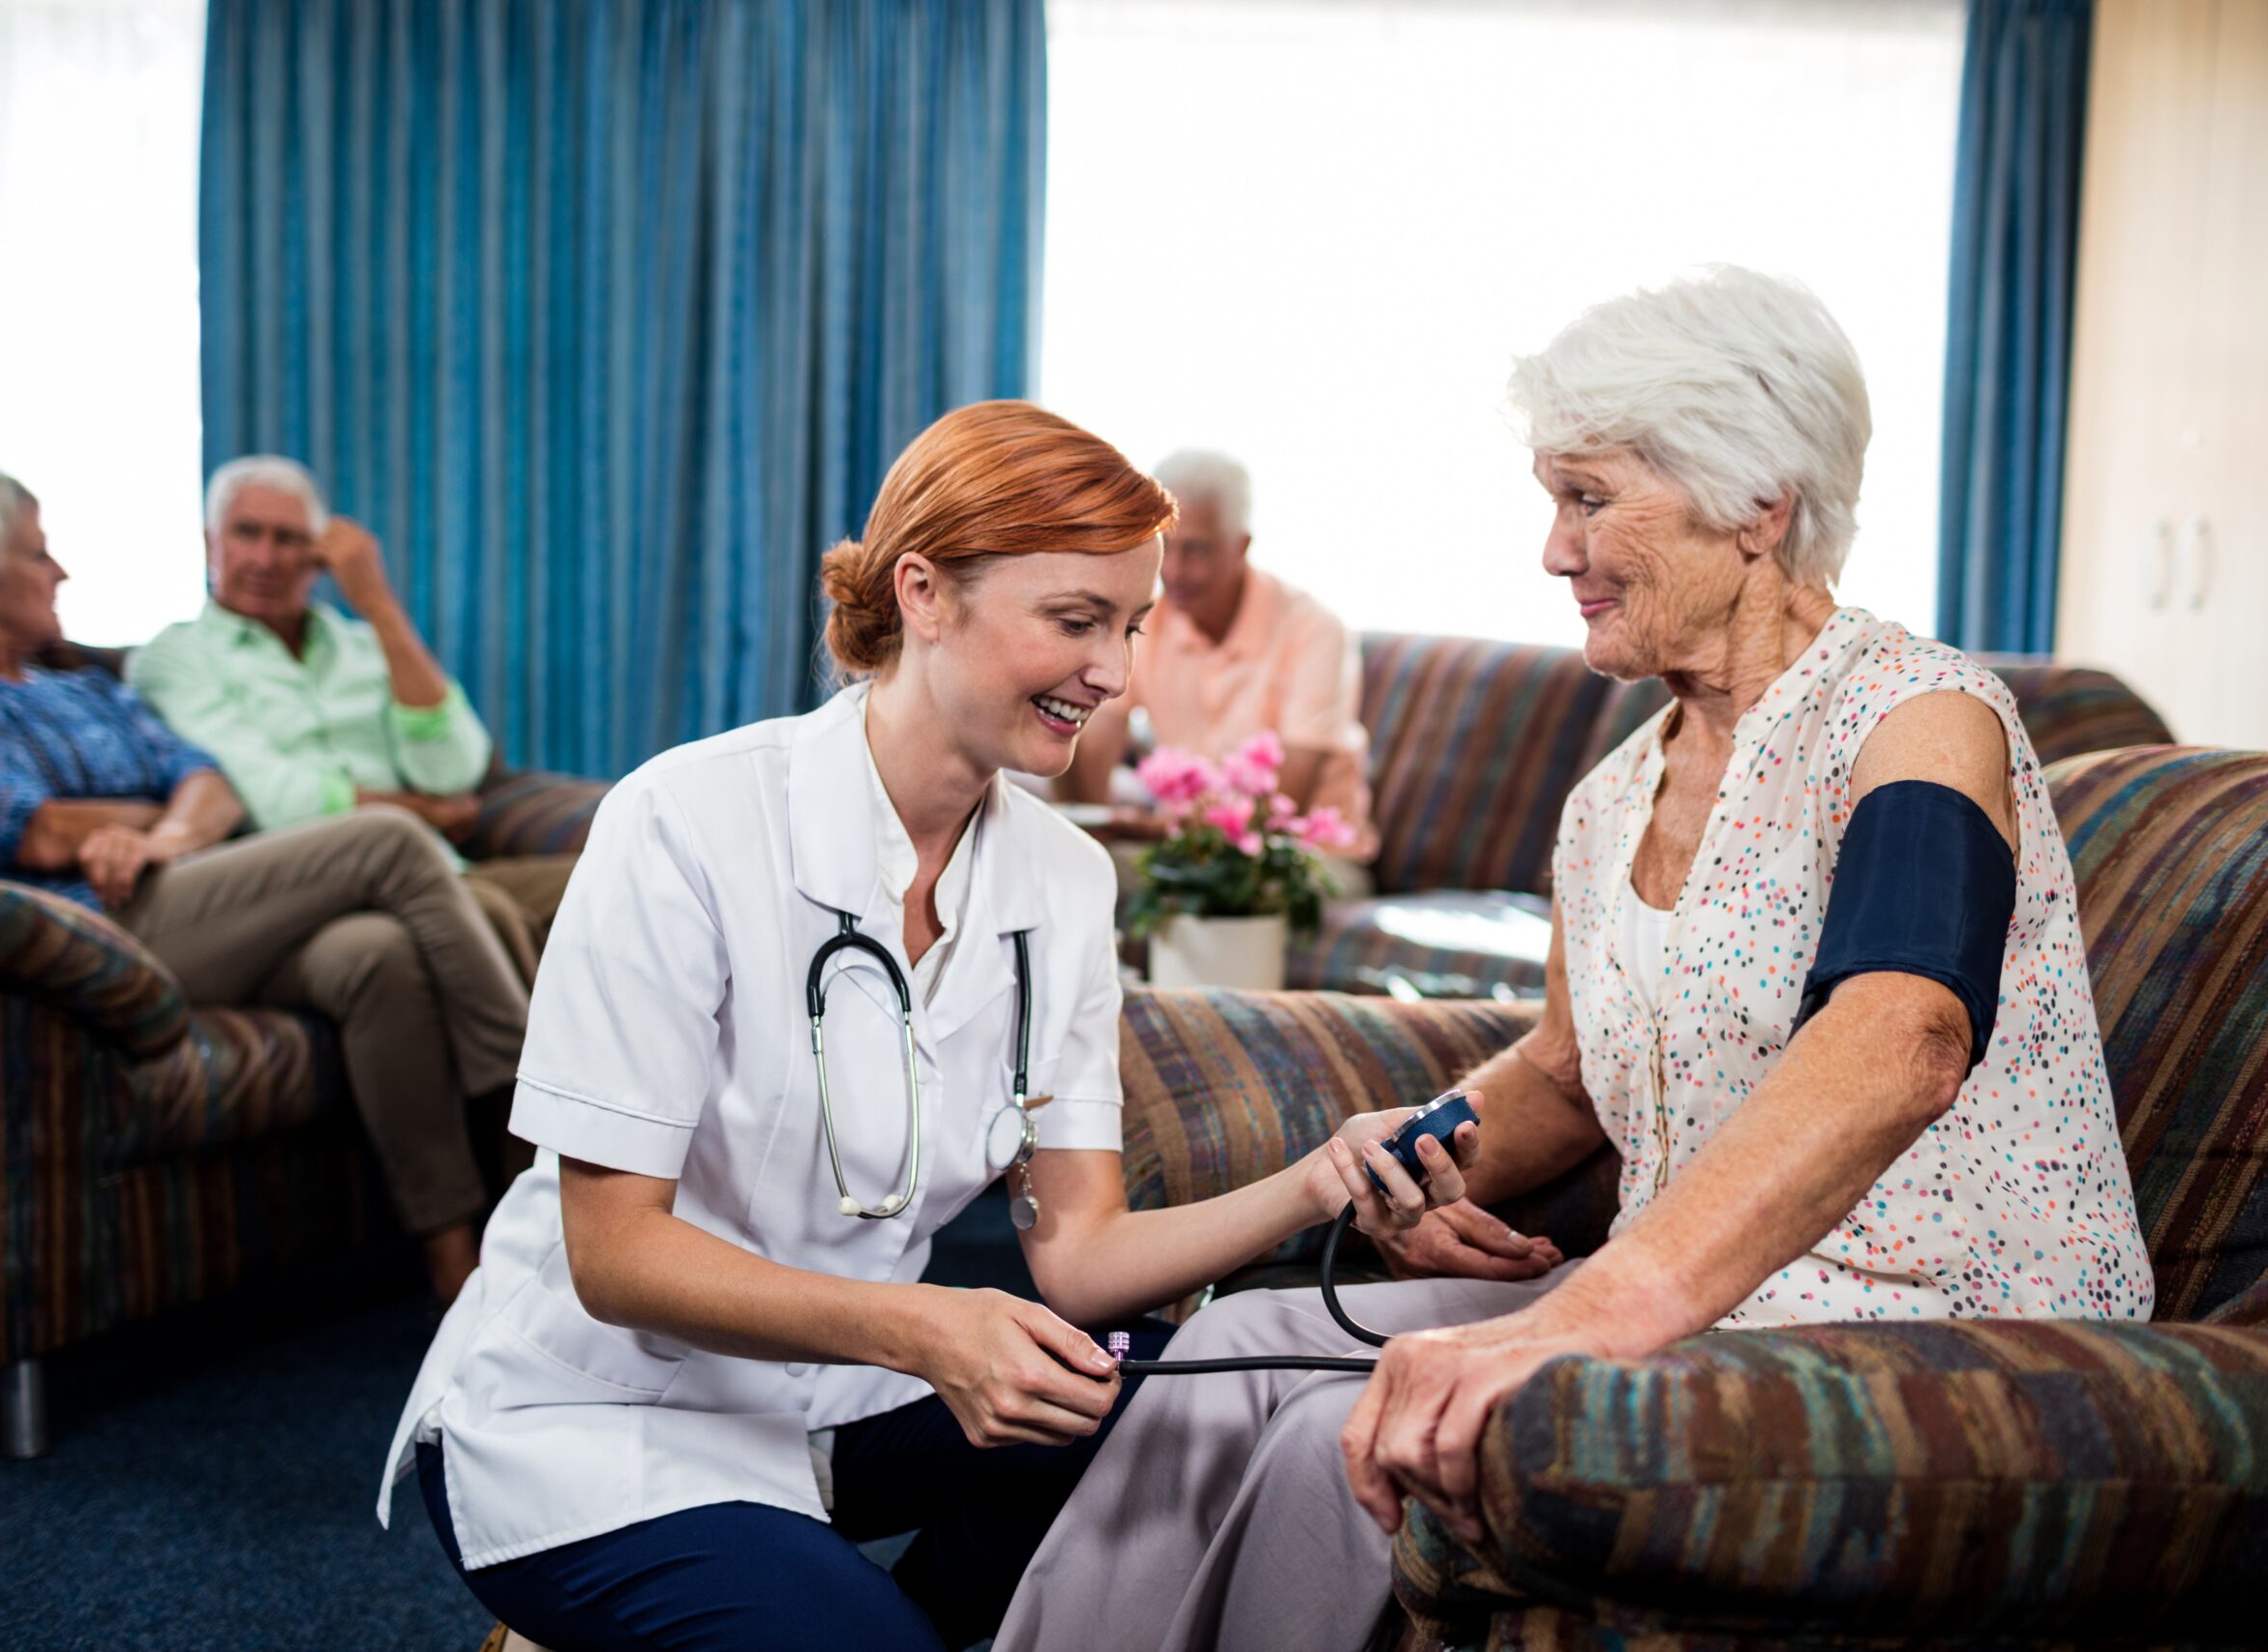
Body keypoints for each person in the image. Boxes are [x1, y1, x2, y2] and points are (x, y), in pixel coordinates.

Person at [996, 267, 2156, 1652]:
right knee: (1212, 1363)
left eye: (1591, 498)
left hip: (1936, 1316)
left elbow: (1903, 1032)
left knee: (1333, 1440)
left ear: (1756, 501)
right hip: (1712, 1292)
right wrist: (1422, 1175)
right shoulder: (1615, 795)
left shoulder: (1917, 717)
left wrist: (1589, 1309)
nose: (1555, 550)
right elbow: (1564, 1064)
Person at [374, 402, 1522, 1652]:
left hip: (836, 1395)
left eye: (1131, 626)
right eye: (1077, 620)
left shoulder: (1066, 881)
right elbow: (612, 1255)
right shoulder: (685, 823)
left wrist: (1317, 1178)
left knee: (1132, 1370)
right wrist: (927, 1326)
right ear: (924, 592)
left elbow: (1079, 1252)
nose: (1116, 674)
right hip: (601, 1411)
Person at [0, 461, 531, 1306]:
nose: (59, 570)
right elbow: (34, 832)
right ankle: (542, 1142)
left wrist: (166, 829)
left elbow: (209, 783)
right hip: (85, 935)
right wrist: (153, 817)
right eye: (37, 554)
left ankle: (458, 1268)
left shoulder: (83, 686)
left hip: (179, 900)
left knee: (377, 954)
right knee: (388, 837)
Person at [129, 456, 573, 982]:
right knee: (488, 914)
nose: (266, 559)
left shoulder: (365, 646)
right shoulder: (174, 658)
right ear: (211, 543)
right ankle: (533, 1068)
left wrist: (379, 606)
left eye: (289, 539)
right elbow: (274, 801)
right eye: (246, 533)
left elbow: (455, 769)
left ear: (319, 557)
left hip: (446, 869)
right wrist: (423, 812)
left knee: (615, 880)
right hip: (319, 886)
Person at [1057, 448, 1377, 897]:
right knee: (1077, 872)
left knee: (1215, 893)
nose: (1174, 571)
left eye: (1197, 551)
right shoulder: (1148, 616)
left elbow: (1285, 798)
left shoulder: (1313, 629)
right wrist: (1101, 825)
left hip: (1303, 860)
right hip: (1185, 850)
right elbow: (1097, 737)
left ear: (1240, 546)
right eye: (1166, 547)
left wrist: (1153, 828)